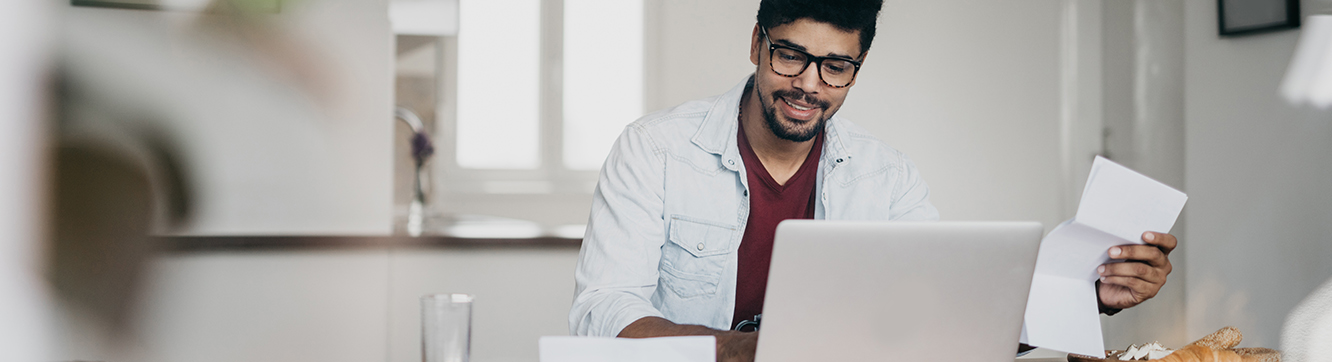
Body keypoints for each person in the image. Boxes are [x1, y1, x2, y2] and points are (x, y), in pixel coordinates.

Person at [568, 1, 1179, 361]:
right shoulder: (655, 150)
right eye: (790, 56)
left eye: (835, 67)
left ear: (856, 69)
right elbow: (602, 312)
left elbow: (950, 312)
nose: (809, 85)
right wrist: (749, 350)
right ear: (756, 43)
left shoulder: (886, 175)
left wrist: (1086, 294)